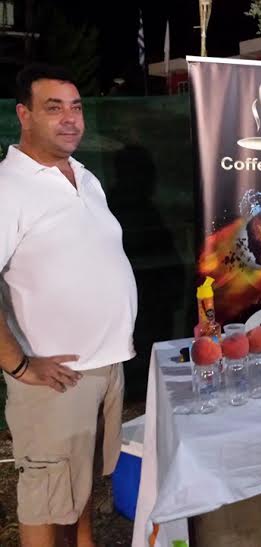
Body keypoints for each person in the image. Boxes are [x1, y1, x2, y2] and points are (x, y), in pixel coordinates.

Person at [0, 64, 137, 546]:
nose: (70, 118)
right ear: (24, 115)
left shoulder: (84, 176)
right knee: (47, 494)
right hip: (53, 378)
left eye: (76, 107)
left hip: (104, 365)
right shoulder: (8, 187)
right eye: (54, 108)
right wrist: (18, 365)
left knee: (81, 484)